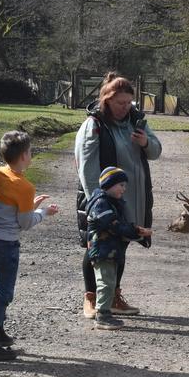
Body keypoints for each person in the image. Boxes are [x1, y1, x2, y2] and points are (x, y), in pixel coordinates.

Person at [74, 72, 162, 319]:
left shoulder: (138, 122)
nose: (125, 108)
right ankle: (91, 298)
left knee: (121, 244)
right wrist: (96, 205)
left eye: (128, 103)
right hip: (102, 201)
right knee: (97, 245)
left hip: (131, 198)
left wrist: (146, 142)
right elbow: (87, 169)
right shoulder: (94, 125)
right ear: (107, 100)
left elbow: (156, 152)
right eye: (120, 103)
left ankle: (113, 296)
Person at [0, 131, 59, 361]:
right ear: (24, 155)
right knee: (3, 290)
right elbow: (24, 223)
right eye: (30, 151)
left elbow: (7, 209)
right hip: (5, 243)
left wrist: (31, 204)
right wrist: (43, 212)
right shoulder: (24, 186)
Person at [85, 167, 152, 330]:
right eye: (120, 185)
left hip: (111, 250)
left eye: (124, 185)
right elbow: (114, 225)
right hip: (101, 250)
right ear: (108, 185)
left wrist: (136, 231)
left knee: (110, 281)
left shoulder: (112, 202)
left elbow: (119, 224)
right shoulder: (101, 204)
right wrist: (136, 231)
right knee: (105, 282)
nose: (124, 188)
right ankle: (102, 316)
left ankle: (107, 311)